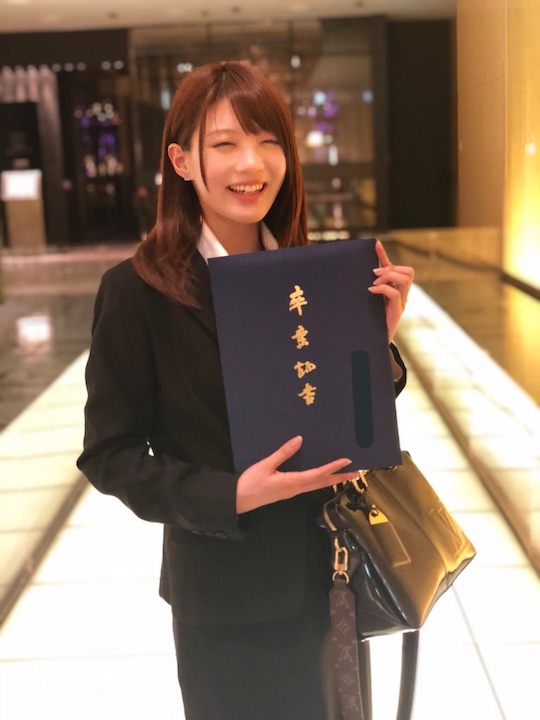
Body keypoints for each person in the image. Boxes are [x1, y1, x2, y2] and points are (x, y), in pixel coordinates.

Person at [77, 60, 414, 720]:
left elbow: (343, 417)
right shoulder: (138, 291)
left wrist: (374, 344)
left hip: (332, 577)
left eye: (267, 141)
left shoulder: (311, 272)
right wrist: (232, 494)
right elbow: (109, 454)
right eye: (225, 143)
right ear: (181, 160)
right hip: (227, 603)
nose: (250, 164)